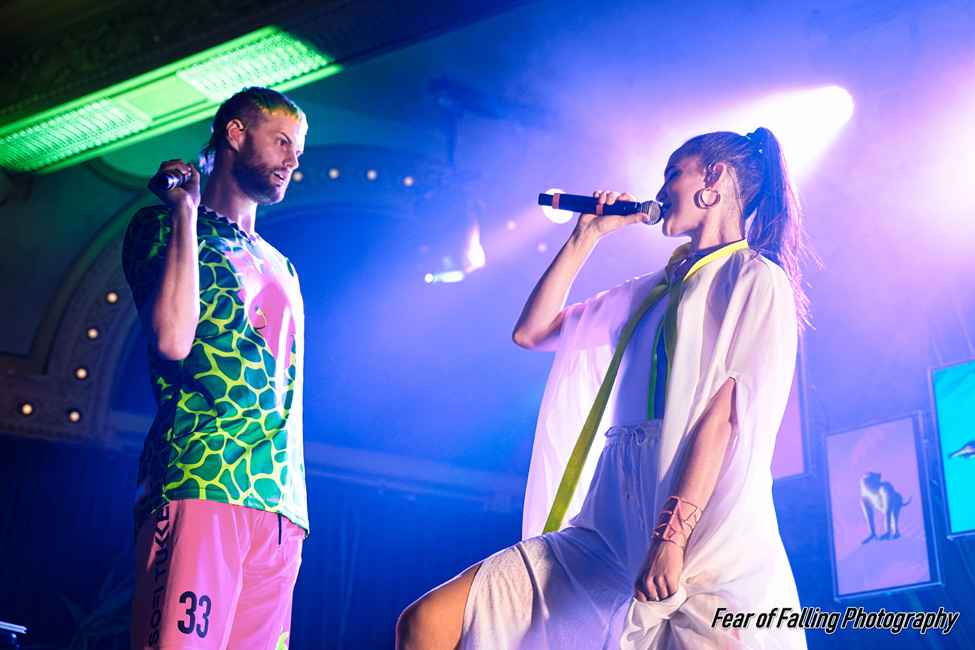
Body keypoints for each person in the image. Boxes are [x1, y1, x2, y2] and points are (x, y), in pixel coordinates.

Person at [396, 128, 810, 649]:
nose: (660, 190)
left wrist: (671, 537)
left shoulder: (753, 278)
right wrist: (584, 236)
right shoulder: (648, 291)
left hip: (702, 539)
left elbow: (724, 417)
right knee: (426, 622)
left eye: (672, 174)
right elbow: (532, 331)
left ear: (714, 178)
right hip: (605, 527)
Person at [123, 87, 309, 650]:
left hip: (281, 502)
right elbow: (173, 339)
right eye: (281, 142)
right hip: (203, 477)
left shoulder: (284, 266)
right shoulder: (162, 227)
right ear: (235, 133)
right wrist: (184, 210)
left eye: (298, 149)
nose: (292, 160)